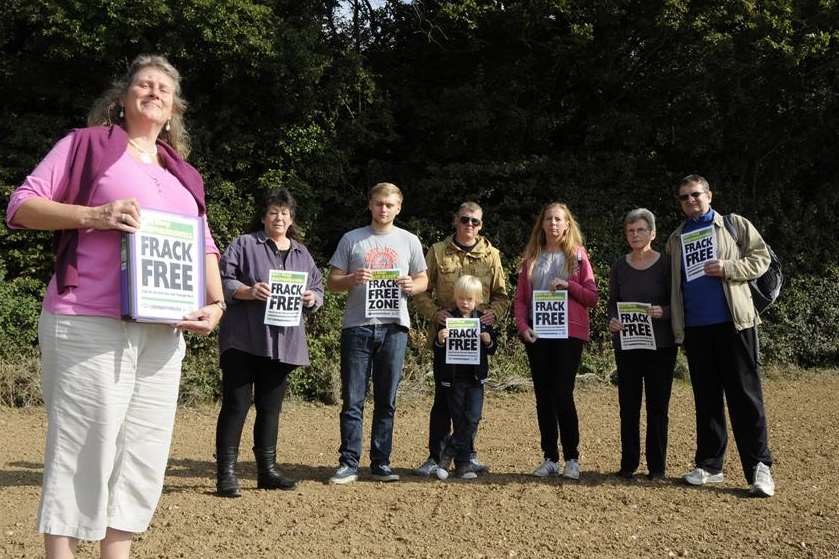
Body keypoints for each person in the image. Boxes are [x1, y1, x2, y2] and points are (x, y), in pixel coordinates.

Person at [5, 54, 223, 558]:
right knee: (83, 447)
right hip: (87, 319)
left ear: (174, 110)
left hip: (163, 332)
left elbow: (204, 245)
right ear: (122, 99)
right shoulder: (85, 147)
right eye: (143, 84)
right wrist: (93, 214)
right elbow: (21, 206)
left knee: (143, 453)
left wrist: (216, 306)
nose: (153, 92)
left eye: (164, 89)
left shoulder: (184, 175)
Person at [666, 174, 775, 497]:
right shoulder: (676, 238)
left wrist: (729, 267)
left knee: (745, 398)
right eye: (684, 197)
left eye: (695, 195)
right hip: (696, 329)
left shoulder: (733, 225)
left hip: (735, 324)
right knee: (707, 399)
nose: (690, 201)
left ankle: (760, 469)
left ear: (709, 195)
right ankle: (710, 465)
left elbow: (761, 258)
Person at [214, 189, 324, 497]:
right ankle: (226, 474)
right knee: (236, 404)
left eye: (285, 213)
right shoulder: (244, 244)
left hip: (283, 341)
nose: (279, 217)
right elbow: (221, 279)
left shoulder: (302, 254)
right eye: (274, 212)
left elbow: (318, 288)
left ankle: (267, 471)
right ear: (264, 216)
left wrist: (312, 298)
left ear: (292, 219)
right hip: (243, 338)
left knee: (270, 408)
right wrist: (247, 291)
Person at [326, 182, 428, 484]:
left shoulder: (409, 241)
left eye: (389, 204)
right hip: (357, 326)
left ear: (399, 207)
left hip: (394, 327)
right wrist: (352, 279)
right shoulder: (352, 239)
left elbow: (423, 279)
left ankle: (381, 463)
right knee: (353, 399)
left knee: (387, 399)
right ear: (370, 205)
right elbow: (332, 282)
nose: (383, 209)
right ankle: (349, 463)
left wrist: (414, 285)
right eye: (379, 203)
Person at [412, 201, 509, 477]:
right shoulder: (438, 252)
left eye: (475, 222)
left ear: (481, 225)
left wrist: (492, 314)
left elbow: (502, 296)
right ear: (455, 220)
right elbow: (420, 290)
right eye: (465, 220)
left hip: (477, 341)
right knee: (443, 401)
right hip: (446, 342)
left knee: (472, 403)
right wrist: (435, 314)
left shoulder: (492, 255)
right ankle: (435, 456)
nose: (469, 226)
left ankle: (465, 456)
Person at [514, 202, 598, 480]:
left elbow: (591, 296)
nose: (553, 224)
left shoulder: (578, 256)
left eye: (558, 219)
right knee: (543, 397)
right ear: (542, 224)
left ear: (567, 225)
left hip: (568, 335)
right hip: (539, 335)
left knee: (563, 393)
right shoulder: (531, 258)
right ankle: (550, 457)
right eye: (548, 219)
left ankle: (572, 458)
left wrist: (568, 285)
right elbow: (521, 300)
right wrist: (523, 326)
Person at [607, 208, 677, 481]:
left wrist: (665, 312)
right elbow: (613, 302)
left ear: (652, 233)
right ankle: (629, 464)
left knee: (658, 406)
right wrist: (613, 320)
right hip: (628, 346)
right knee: (629, 406)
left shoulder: (666, 264)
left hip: (661, 346)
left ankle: (657, 467)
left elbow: (679, 302)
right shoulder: (620, 266)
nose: (635, 235)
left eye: (640, 230)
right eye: (630, 231)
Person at [432, 275, 497, 480]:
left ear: (478, 299)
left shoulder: (482, 320)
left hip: (475, 379)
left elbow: (493, 348)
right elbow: (437, 348)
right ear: (455, 297)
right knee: (460, 420)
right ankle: (463, 465)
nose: (465, 302)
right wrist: (440, 340)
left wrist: (487, 341)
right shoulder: (447, 318)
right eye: (461, 298)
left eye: (469, 299)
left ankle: (446, 458)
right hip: (454, 379)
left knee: (473, 418)